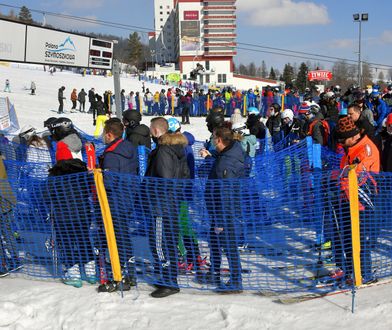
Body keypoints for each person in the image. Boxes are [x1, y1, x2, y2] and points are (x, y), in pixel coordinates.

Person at [145, 117, 190, 298]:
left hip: (161, 205)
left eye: (151, 130)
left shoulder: (163, 151)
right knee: (168, 241)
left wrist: (151, 192)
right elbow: (184, 176)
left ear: (156, 131)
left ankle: (169, 281)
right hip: (171, 203)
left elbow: (163, 179)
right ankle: (168, 277)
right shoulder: (177, 149)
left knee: (159, 244)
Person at [48, 117, 95, 288]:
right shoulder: (82, 170)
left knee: (67, 240)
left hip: (64, 213)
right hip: (82, 210)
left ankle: (73, 273)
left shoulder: (56, 174)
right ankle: (91, 271)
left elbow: (50, 193)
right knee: (83, 238)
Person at [332, 116, 380, 283]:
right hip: (347, 200)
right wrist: (333, 179)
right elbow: (342, 172)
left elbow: (357, 175)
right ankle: (351, 270)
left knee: (360, 240)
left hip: (363, 203)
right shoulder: (349, 150)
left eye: (343, 140)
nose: (341, 144)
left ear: (353, 136)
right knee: (345, 237)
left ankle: (364, 273)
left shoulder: (366, 148)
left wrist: (340, 178)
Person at [201, 126, 245, 293]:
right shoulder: (227, 154)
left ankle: (236, 281)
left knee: (229, 245)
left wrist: (221, 221)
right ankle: (216, 272)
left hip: (225, 213)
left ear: (219, 140)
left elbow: (225, 193)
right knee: (215, 242)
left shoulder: (227, 162)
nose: (212, 141)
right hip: (219, 211)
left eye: (213, 139)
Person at [97, 118, 138, 293]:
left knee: (117, 238)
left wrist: (98, 177)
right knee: (123, 236)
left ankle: (119, 274)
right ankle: (129, 273)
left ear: (109, 134)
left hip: (114, 201)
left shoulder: (112, 154)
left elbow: (110, 182)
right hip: (127, 197)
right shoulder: (129, 148)